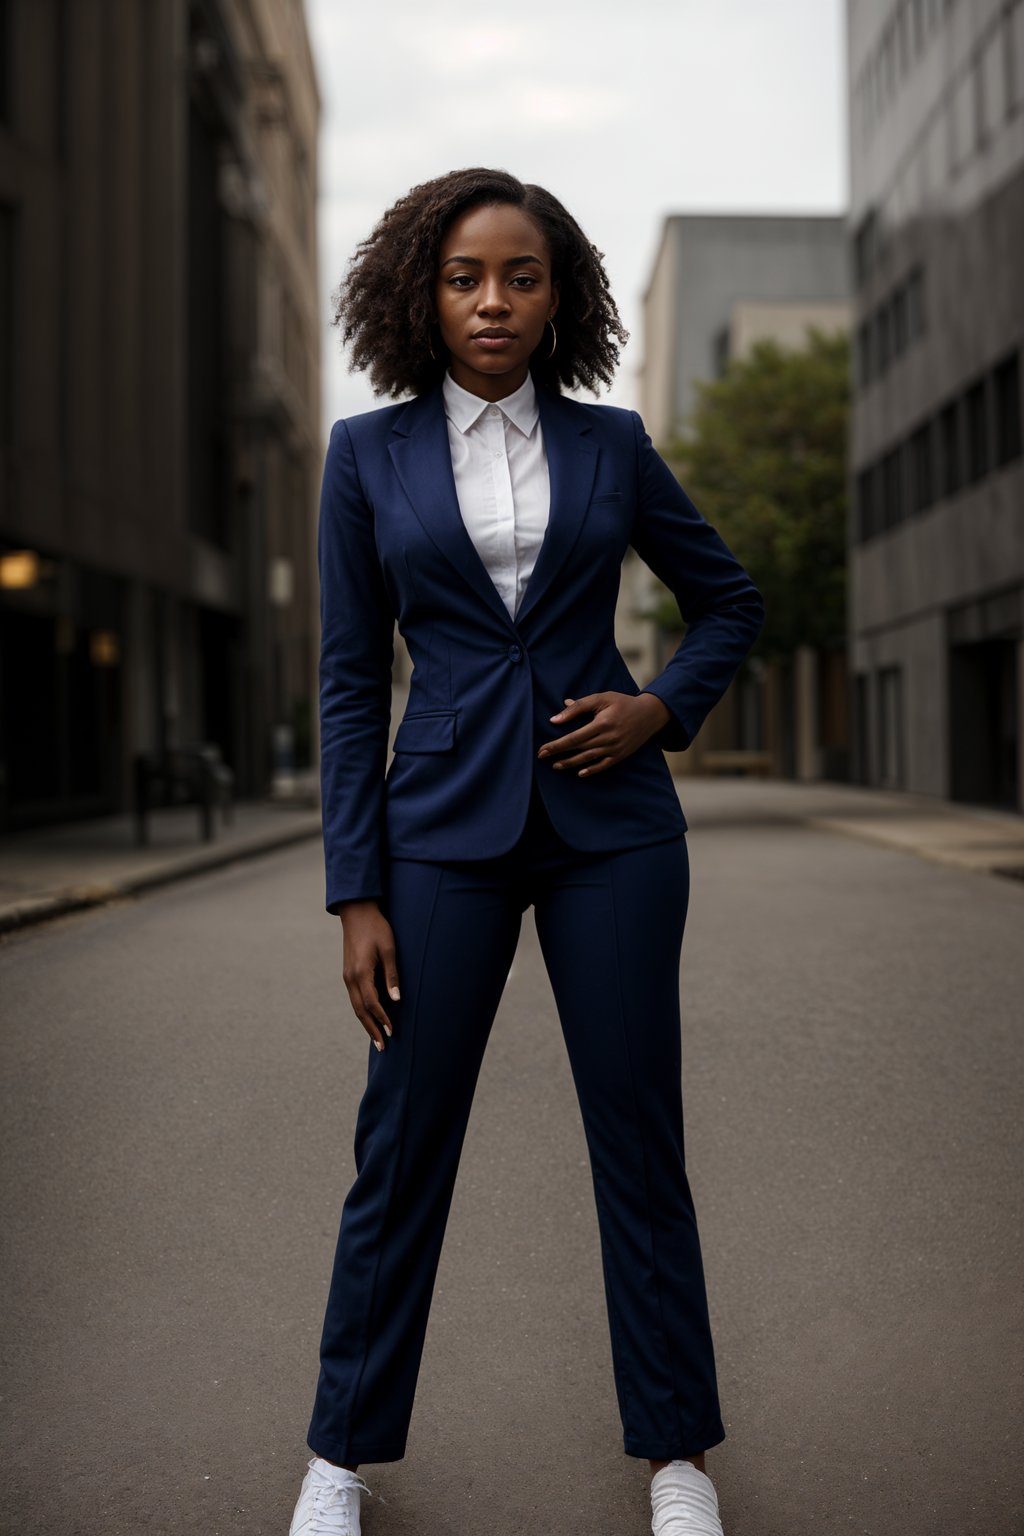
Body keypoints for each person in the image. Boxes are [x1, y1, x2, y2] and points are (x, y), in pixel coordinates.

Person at [288, 167, 764, 1536]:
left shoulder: (612, 445)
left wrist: (663, 704)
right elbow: (344, 682)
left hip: (612, 837)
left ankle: (678, 1456)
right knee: (402, 1143)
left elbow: (726, 597)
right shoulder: (364, 455)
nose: (493, 299)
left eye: (521, 276)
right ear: (422, 297)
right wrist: (354, 886)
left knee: (639, 1139)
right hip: (439, 835)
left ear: (561, 298)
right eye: (464, 277)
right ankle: (339, 1457)